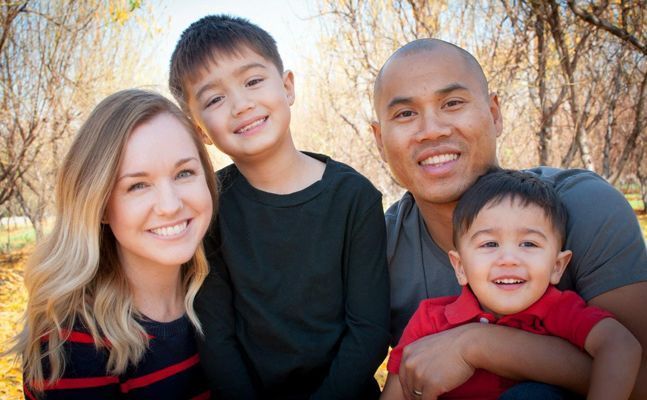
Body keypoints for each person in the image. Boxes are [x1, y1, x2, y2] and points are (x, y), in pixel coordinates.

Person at [371, 38, 647, 399]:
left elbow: (639, 377)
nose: (432, 129)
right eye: (406, 113)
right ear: (379, 139)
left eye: (452, 103)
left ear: (495, 113)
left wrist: (477, 346)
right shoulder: (376, 247)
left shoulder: (582, 207)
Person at [168, 15, 390, 399]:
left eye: (253, 81)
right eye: (215, 99)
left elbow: (369, 330)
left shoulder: (354, 198)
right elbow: (216, 337)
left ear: (287, 87)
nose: (241, 104)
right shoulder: (208, 207)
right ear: (199, 129)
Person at [10, 89, 216, 399]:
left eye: (184, 172)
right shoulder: (72, 343)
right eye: (138, 185)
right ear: (101, 205)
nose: (170, 205)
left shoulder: (226, 288)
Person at [381, 169, 641, 400]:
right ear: (460, 267)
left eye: (529, 244)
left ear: (557, 267)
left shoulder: (560, 311)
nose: (508, 260)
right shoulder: (431, 322)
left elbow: (621, 345)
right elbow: (398, 391)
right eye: (489, 244)